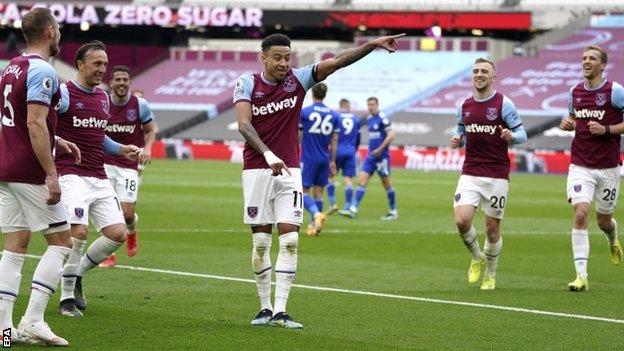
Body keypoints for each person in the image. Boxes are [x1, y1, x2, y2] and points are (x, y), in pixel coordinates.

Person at [234, 32, 403, 329]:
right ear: (263, 57)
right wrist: (268, 153)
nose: (284, 63)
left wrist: (372, 45)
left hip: (291, 171)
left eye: (288, 58)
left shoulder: (298, 80)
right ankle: (264, 307)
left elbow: (338, 61)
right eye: (277, 58)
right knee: (261, 243)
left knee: (290, 241)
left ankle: (281, 311)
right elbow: (244, 124)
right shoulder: (247, 83)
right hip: (257, 169)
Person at [0, 8, 81, 346]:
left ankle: (4, 330)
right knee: (63, 242)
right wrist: (51, 173)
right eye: (58, 28)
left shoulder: (11, 67)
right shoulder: (42, 69)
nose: (60, 32)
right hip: (29, 171)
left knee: (15, 246)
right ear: (49, 31)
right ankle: (33, 319)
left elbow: (17, 119)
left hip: (4, 168)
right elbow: (33, 122)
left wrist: (56, 139)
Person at [55, 41, 140, 317]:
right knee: (78, 233)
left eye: (105, 63)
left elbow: (97, 136)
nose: (102, 69)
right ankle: (67, 298)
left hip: (98, 174)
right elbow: (44, 126)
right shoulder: (65, 94)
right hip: (70, 174)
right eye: (97, 64)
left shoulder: (103, 97)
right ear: (80, 65)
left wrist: (120, 149)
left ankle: (76, 274)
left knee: (116, 234)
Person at [450, 57, 527, 290]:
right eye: (475, 71)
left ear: (494, 77)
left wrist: (511, 136)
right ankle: (476, 257)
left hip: (497, 175)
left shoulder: (504, 104)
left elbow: (522, 134)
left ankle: (491, 274)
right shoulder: (464, 106)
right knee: (462, 221)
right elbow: (460, 132)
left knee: (492, 230)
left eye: (484, 71)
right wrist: (457, 139)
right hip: (471, 173)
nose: (479, 74)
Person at [559, 45, 624, 292]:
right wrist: (569, 122)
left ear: (603, 65)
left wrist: (606, 129)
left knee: (604, 221)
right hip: (580, 165)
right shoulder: (574, 92)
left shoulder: (615, 92)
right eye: (584, 57)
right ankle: (581, 276)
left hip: (608, 167)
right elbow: (574, 118)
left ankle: (612, 239)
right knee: (581, 213)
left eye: (592, 58)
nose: (586, 61)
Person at [99, 65, 158, 267]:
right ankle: (109, 253)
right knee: (108, 209)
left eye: (125, 79)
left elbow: (151, 130)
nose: (122, 83)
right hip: (104, 163)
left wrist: (148, 148)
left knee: (126, 214)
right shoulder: (102, 102)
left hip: (128, 165)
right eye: (118, 80)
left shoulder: (140, 105)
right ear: (112, 82)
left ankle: (132, 230)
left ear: (129, 82)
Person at [299, 83, 339, 236]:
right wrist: (332, 160)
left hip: (308, 158)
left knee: (303, 192)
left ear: (312, 93)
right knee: (319, 193)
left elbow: (298, 135)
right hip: (324, 158)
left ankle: (316, 215)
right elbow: (334, 140)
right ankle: (315, 227)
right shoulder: (334, 115)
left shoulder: (305, 112)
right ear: (325, 95)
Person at [347, 97, 397, 220]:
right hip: (371, 156)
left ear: (377, 105)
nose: (370, 106)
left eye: (372, 104)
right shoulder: (369, 119)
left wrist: (380, 149)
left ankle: (393, 211)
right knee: (362, 180)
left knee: (386, 184)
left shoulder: (383, 118)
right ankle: (353, 209)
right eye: (369, 104)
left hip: (382, 157)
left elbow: (391, 135)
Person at [331, 98, 362, 217]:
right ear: (348, 106)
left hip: (337, 150)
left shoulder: (336, 117)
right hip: (350, 151)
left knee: (330, 177)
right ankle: (347, 205)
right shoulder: (356, 119)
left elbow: (333, 135)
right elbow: (358, 138)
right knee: (348, 179)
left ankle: (333, 203)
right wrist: (354, 149)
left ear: (340, 106)